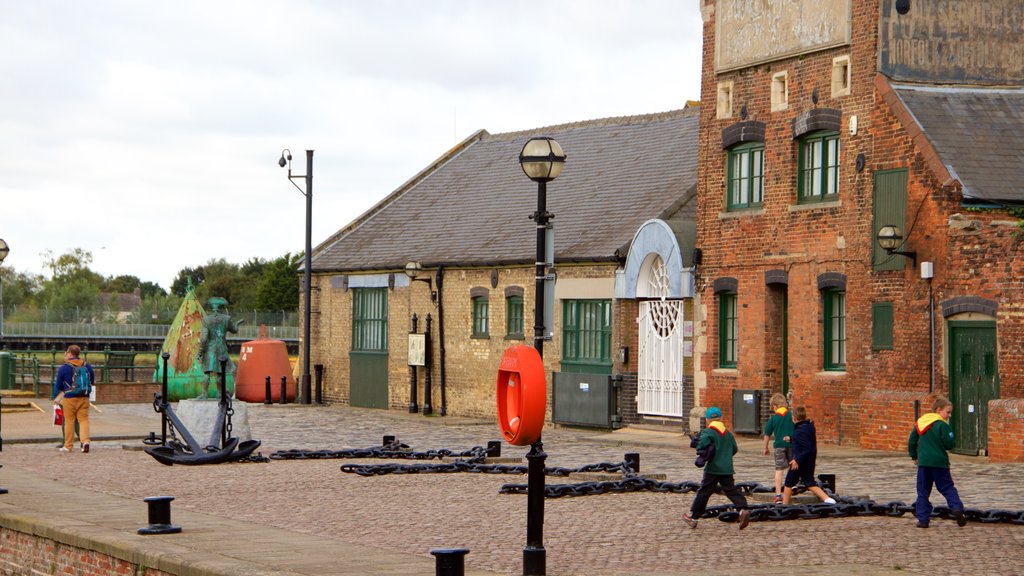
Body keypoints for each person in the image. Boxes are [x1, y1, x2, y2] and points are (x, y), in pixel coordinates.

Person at [682, 407, 751, 530]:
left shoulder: (708, 432)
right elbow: (734, 449)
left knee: (704, 492)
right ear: (721, 418)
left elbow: (701, 446)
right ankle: (743, 509)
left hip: (713, 468)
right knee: (731, 490)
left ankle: (693, 517)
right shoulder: (728, 434)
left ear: (708, 419)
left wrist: (701, 452)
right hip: (727, 468)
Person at [908, 396, 967, 528]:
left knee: (923, 491)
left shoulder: (921, 422)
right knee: (947, 488)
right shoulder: (942, 425)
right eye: (948, 412)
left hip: (923, 463)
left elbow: (912, 441)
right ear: (938, 410)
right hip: (940, 463)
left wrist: (914, 456)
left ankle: (923, 520)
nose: (949, 415)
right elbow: (949, 444)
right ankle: (956, 508)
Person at [781, 406, 836, 505]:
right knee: (809, 483)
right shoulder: (808, 427)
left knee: (788, 483)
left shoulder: (799, 431)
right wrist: (791, 439)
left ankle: (784, 506)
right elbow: (807, 442)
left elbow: (806, 448)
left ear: (794, 418)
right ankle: (829, 500)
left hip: (799, 462)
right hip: (809, 461)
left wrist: (797, 460)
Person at [195, 297, 243, 399]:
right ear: (221, 308)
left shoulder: (207, 320)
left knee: (207, 372)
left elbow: (204, 339)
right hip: (222, 348)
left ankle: (204, 394)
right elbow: (234, 330)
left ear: (211, 308)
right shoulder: (226, 319)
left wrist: (200, 352)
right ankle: (219, 393)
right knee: (220, 372)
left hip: (210, 349)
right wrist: (237, 324)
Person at [53, 345, 93, 453]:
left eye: (66, 353)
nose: (65, 355)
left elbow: (59, 385)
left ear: (70, 354)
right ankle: (85, 441)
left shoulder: (64, 368)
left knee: (69, 421)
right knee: (83, 420)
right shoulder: (87, 366)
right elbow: (92, 381)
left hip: (69, 397)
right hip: (84, 397)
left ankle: (68, 445)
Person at [762, 393, 794, 504]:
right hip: (792, 445)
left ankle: (778, 495)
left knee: (779, 470)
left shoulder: (774, 419)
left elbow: (767, 434)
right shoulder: (791, 416)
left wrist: (765, 447)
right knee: (793, 467)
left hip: (779, 446)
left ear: (774, 406)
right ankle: (791, 488)